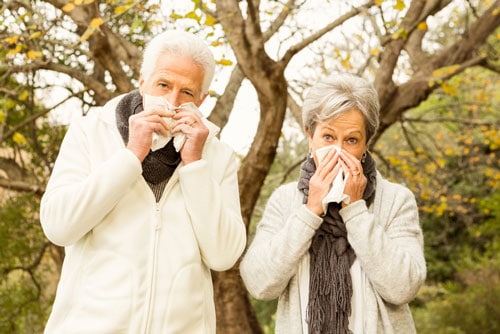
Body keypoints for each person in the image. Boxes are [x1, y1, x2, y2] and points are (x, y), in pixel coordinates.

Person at [40, 30, 247, 333]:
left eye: (187, 93)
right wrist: (130, 156)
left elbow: (224, 255)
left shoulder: (218, 157)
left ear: (201, 100)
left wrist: (195, 165)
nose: (172, 101)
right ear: (142, 82)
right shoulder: (90, 130)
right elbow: (58, 226)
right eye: (163, 85)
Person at [240, 73, 426, 333]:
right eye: (328, 137)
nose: (338, 151)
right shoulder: (285, 200)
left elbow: (404, 287)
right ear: (310, 135)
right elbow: (260, 283)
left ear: (365, 144)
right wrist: (310, 211)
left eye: (351, 140)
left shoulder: (396, 200)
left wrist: (356, 210)